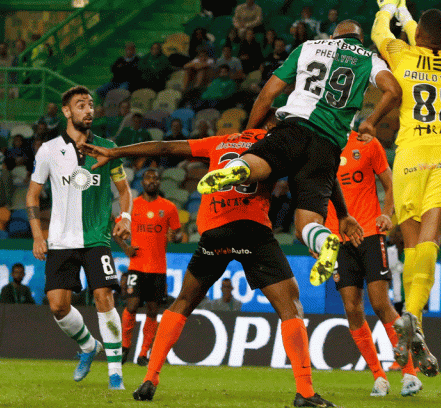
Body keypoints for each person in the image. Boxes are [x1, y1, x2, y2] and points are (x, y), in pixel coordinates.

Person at [80, 124, 340, 407]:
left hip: (215, 232)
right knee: (291, 307)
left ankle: (150, 378)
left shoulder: (219, 142)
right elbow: (316, 175)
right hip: (253, 230)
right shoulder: (278, 144)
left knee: (182, 302)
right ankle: (304, 391)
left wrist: (116, 151)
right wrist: (334, 217)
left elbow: (165, 147)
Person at [197, 19, 399, 288]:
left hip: (294, 128)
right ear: (359, 39)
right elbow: (394, 90)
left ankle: (239, 169)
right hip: (329, 146)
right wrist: (371, 120)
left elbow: (267, 95)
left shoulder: (309, 47)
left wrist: (248, 136)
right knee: (307, 223)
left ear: (333, 35)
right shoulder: (369, 59)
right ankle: (323, 239)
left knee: (258, 163)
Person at [370, 0, 441, 377]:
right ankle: (413, 316)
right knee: (431, 240)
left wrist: (388, 5)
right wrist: (406, 11)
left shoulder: (403, 56)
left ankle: (414, 326)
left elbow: (381, 34)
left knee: (410, 245)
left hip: (409, 155)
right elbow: (420, 34)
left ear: (419, 36)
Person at [26, 85, 132, 390]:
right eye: (81, 105)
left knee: (104, 297)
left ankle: (115, 374)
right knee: (58, 306)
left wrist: (124, 217)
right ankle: (87, 345)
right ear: (67, 111)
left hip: (96, 238)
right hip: (60, 240)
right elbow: (33, 195)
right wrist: (37, 235)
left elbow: (124, 192)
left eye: (90, 105)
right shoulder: (48, 150)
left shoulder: (107, 148)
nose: (88, 110)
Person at [325, 130, 422, 397]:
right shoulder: (320, 145)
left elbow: (391, 184)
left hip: (368, 232)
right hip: (337, 239)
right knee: (352, 308)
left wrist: (387, 214)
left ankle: (409, 374)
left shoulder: (366, 144)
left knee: (380, 303)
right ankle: (379, 377)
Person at [120, 169, 181, 366]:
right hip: (137, 265)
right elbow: (116, 232)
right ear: (142, 182)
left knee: (153, 311)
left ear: (159, 182)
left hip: (157, 268)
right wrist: (126, 248)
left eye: (155, 178)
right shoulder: (132, 206)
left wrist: (175, 237)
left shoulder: (169, 207)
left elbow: (177, 233)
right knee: (132, 305)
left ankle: (143, 353)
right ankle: (124, 347)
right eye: (148, 178)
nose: (152, 181)